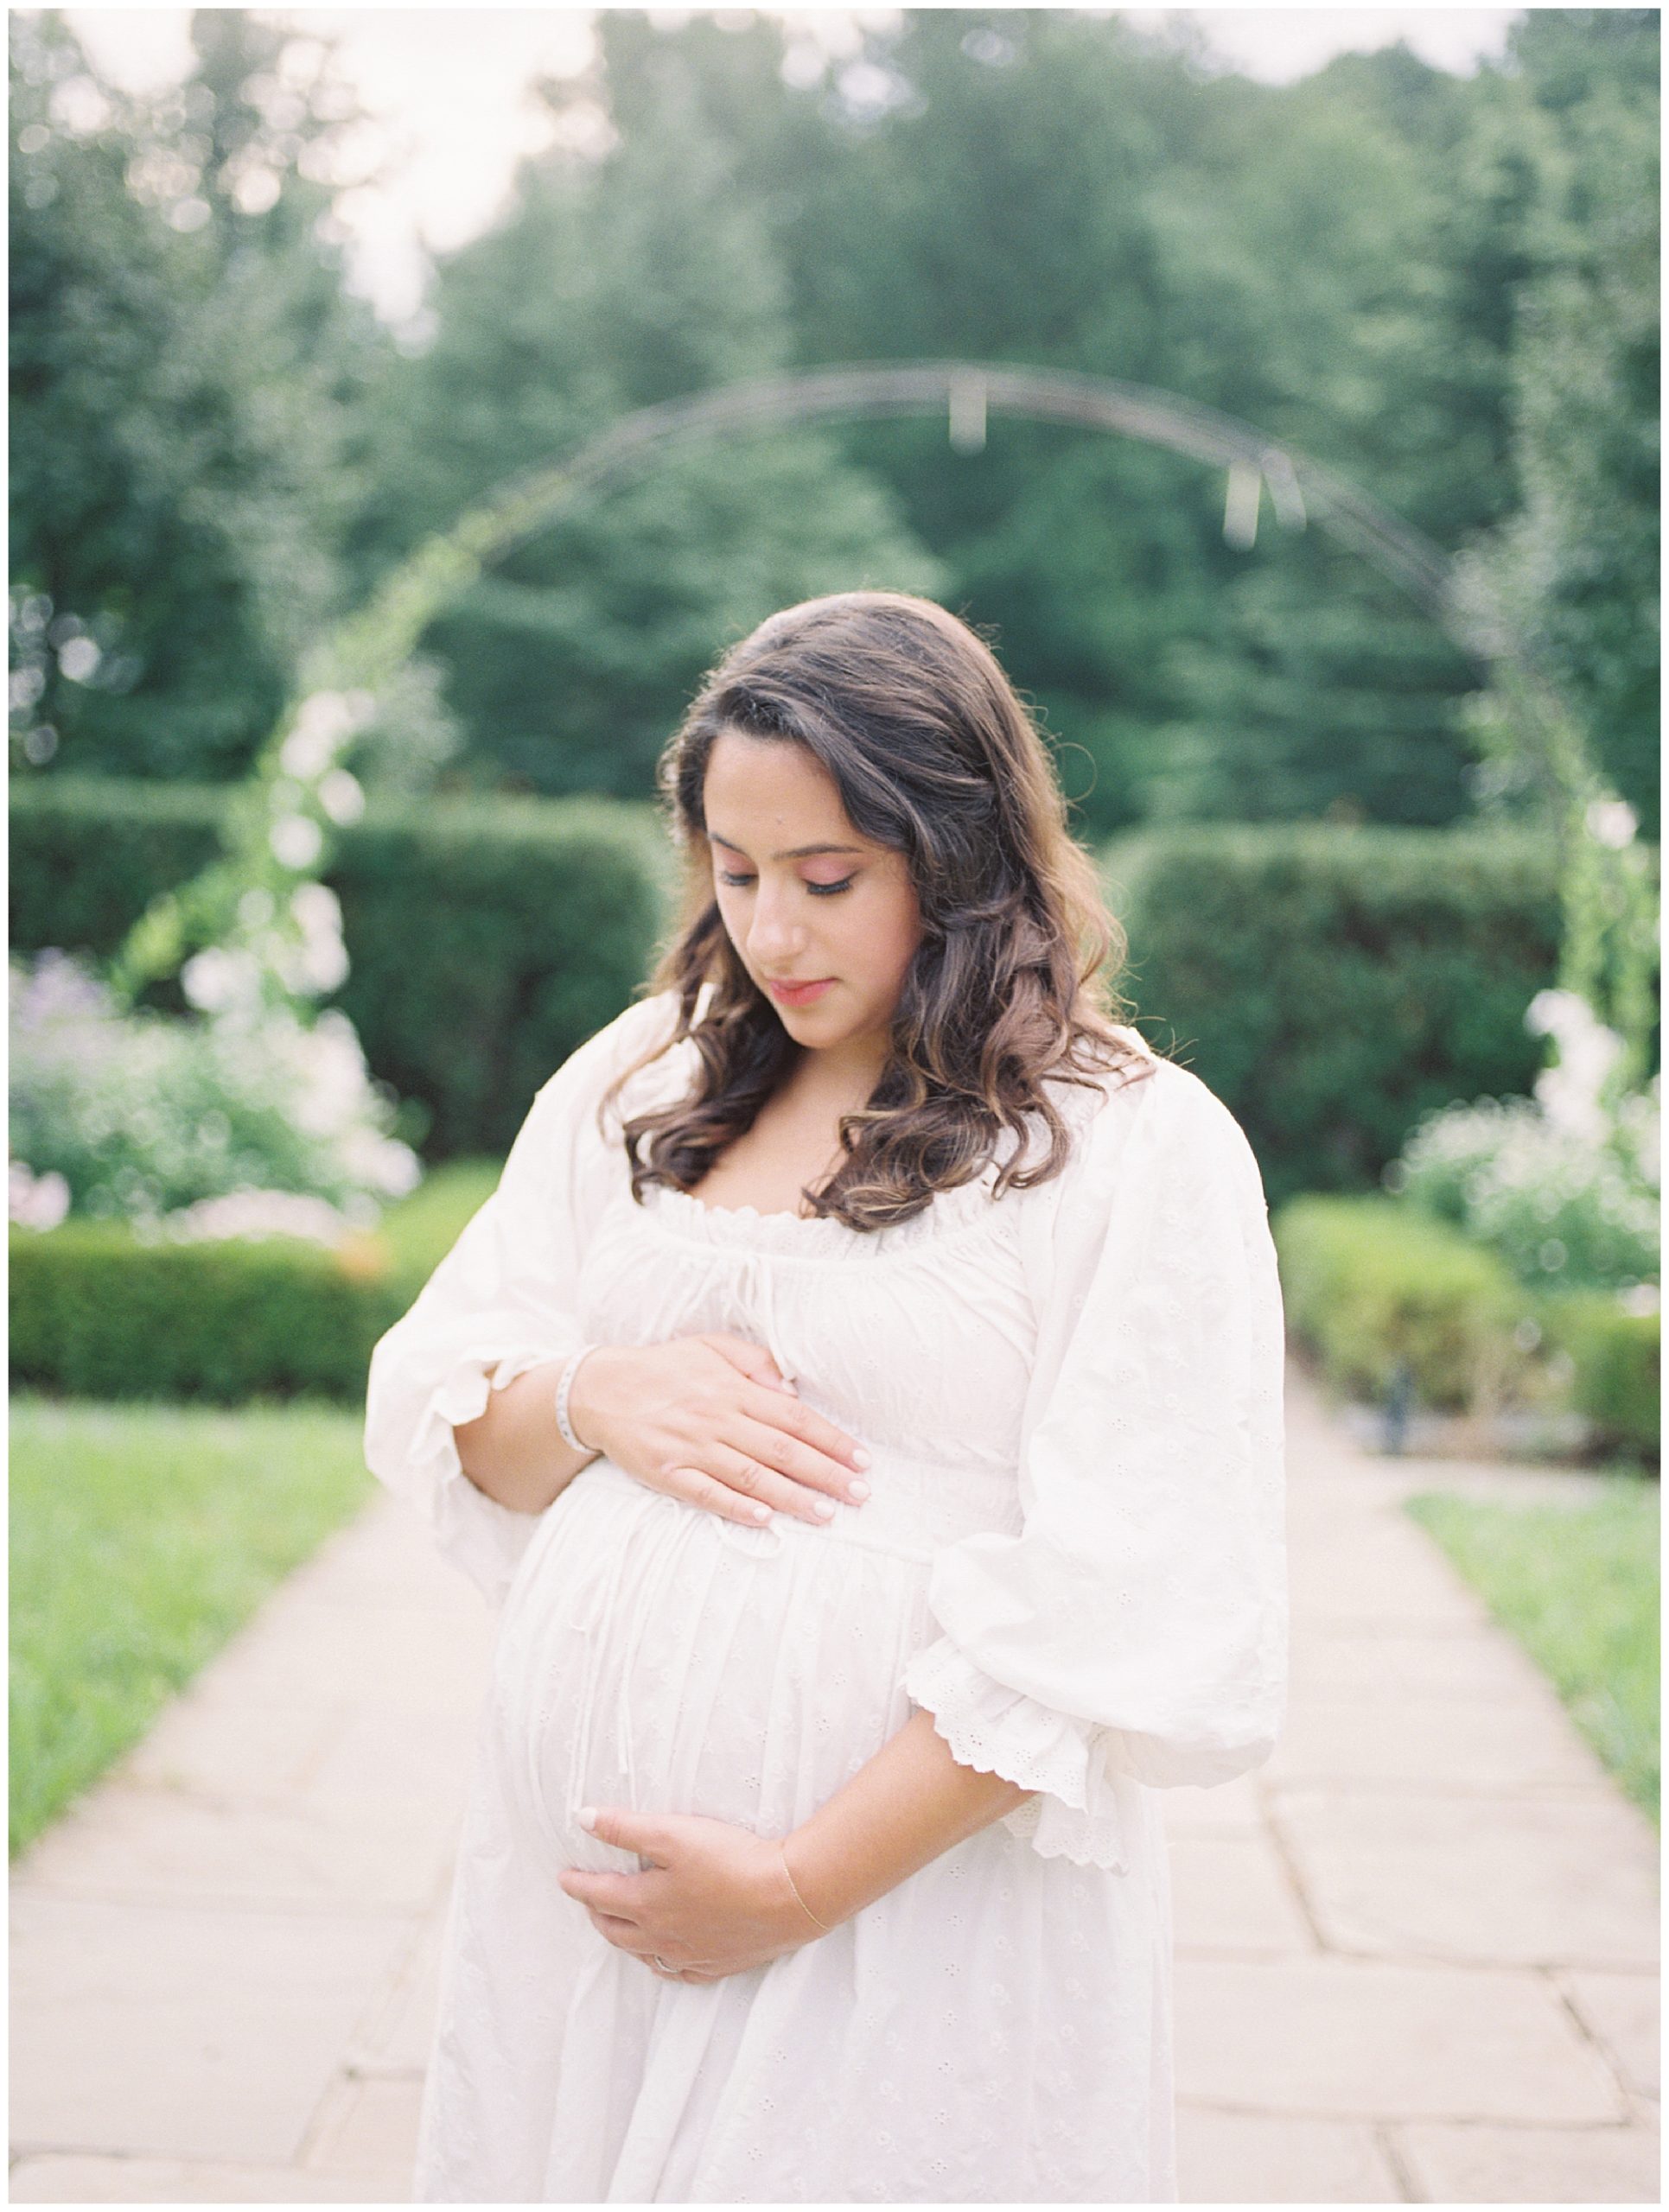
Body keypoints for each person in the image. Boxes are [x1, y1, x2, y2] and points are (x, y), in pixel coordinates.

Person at [362, 588, 1287, 2203]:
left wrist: (792, 1882)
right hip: (584, 1932)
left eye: (828, 878)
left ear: (963, 850)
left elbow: (1123, 1603)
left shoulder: (1132, 1144)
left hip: (907, 1928)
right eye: (734, 875)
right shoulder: (646, 1075)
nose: (770, 933)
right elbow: (459, 1415)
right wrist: (594, 1396)